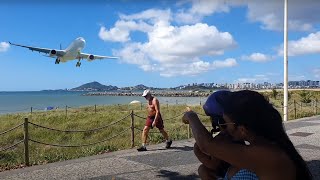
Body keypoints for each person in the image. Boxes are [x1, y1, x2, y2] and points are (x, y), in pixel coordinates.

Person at [182, 90, 312, 180]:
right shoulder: (266, 146)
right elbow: (211, 161)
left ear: (242, 130)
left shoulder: (265, 155)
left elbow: (206, 145)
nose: (225, 129)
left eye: (226, 123)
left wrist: (191, 116)